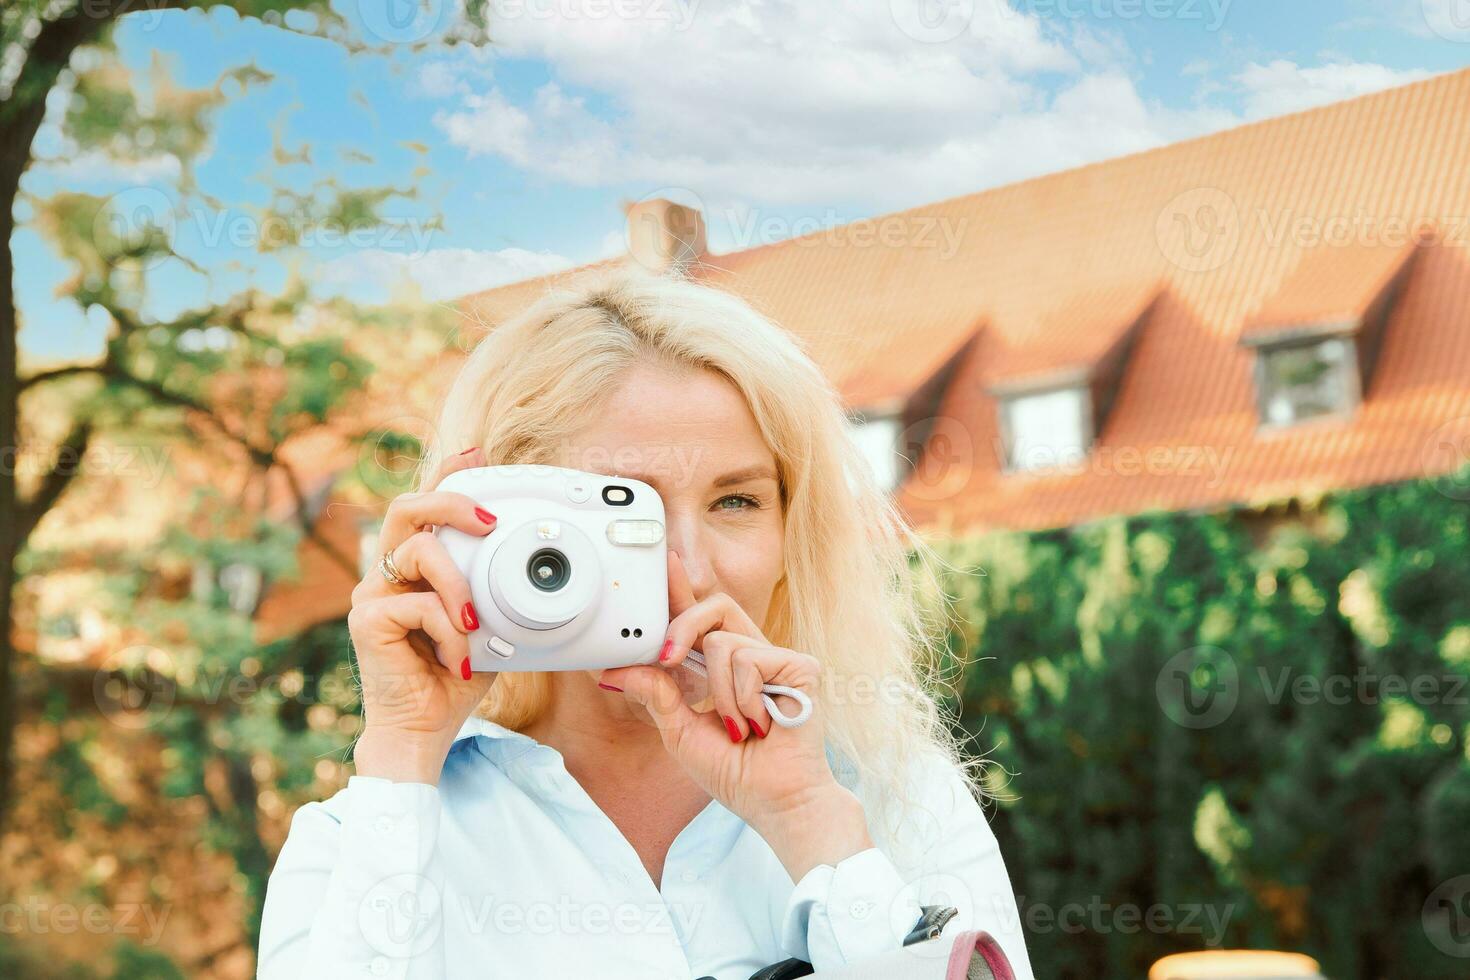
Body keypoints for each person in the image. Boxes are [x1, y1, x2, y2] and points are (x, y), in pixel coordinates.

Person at [257, 267, 1034, 979]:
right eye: (628, 509)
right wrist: (402, 751)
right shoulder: (361, 837)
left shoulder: (898, 802)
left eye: (738, 501)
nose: (689, 569)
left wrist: (813, 829)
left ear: (791, 540)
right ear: (505, 527)